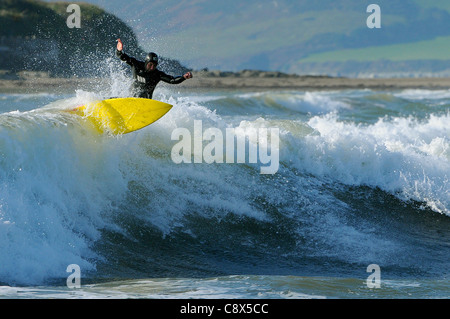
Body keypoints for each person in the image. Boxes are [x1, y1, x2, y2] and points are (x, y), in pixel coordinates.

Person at [116, 38, 192, 99]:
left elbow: (172, 80)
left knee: (142, 93)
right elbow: (123, 57)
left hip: (146, 101)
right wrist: (119, 51)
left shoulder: (157, 74)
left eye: (154, 65)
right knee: (116, 97)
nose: (152, 67)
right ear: (146, 62)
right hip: (132, 97)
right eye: (150, 64)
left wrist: (183, 77)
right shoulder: (137, 65)